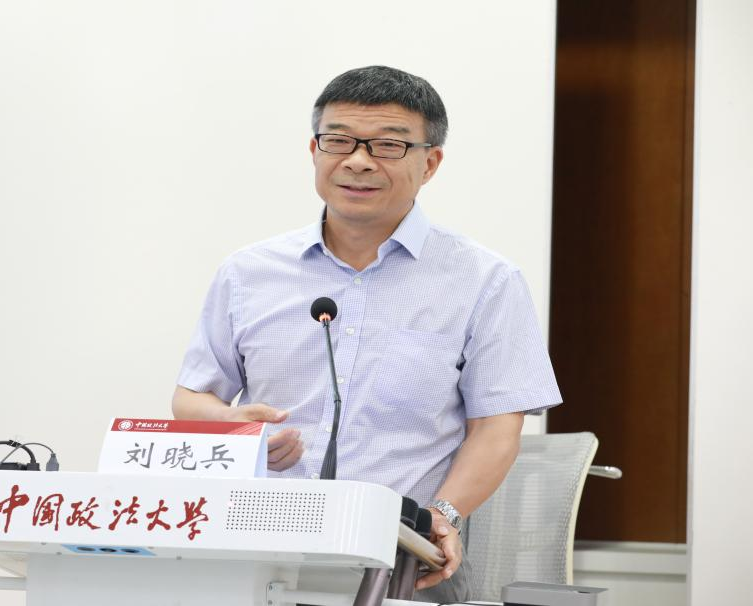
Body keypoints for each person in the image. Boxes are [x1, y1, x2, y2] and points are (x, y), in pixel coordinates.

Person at [171, 65, 561, 602]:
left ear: (431, 163)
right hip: (256, 549)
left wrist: (441, 516)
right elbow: (191, 398)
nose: (358, 161)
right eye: (339, 141)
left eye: (388, 145)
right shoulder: (248, 272)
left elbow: (496, 428)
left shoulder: (485, 281)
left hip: (399, 560)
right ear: (314, 150)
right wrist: (232, 425)